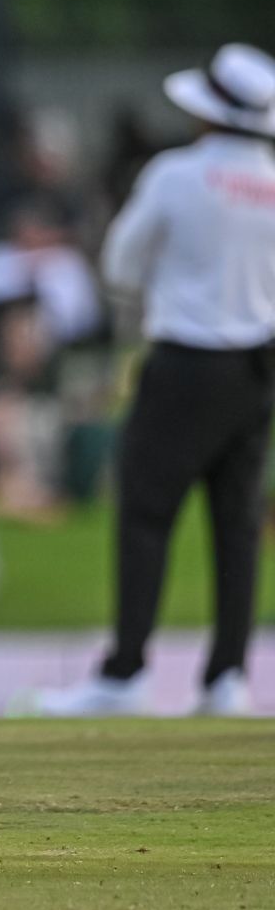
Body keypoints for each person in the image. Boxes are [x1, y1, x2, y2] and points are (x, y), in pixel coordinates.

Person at [34, 44, 275, 718]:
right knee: (237, 521)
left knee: (145, 511)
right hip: (257, 368)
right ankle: (226, 677)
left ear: (208, 113)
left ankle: (126, 670)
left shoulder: (177, 174)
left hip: (186, 359)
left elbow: (120, 266)